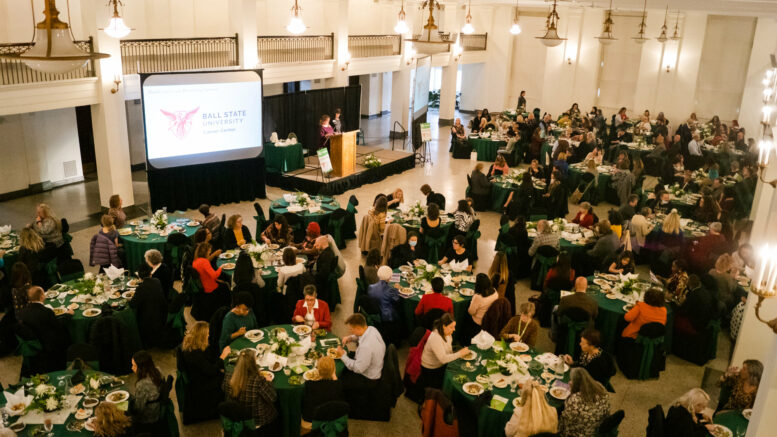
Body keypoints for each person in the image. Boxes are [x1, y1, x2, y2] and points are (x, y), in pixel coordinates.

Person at [180, 321, 230, 424]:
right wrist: (222, 357)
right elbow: (210, 371)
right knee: (228, 378)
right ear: (201, 337)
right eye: (207, 334)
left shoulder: (190, 345)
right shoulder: (195, 355)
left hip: (197, 377)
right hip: (202, 383)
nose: (208, 336)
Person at [223, 349, 278, 434]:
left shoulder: (228, 376)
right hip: (257, 420)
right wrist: (268, 382)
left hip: (236, 416)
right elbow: (272, 398)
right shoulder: (258, 381)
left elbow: (224, 389)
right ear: (253, 365)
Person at [16, 286, 70, 371]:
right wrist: (68, 315)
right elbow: (58, 328)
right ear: (42, 296)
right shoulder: (47, 312)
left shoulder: (21, 313)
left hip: (33, 345)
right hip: (49, 346)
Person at [334, 314, 386, 393]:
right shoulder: (371, 329)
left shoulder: (366, 347)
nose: (349, 331)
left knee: (340, 381)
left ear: (358, 328)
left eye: (351, 330)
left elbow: (358, 369)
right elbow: (360, 335)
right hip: (371, 365)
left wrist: (342, 355)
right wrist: (350, 338)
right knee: (346, 359)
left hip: (368, 379)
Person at [419, 313, 470, 391]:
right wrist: (460, 353)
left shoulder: (448, 334)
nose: (454, 329)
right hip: (431, 370)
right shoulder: (436, 338)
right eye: (451, 327)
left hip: (441, 365)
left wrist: (459, 353)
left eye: (454, 327)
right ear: (443, 326)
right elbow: (443, 359)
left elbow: (449, 352)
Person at [558, 368, 610, 437]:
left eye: (571, 380)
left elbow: (565, 421)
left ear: (576, 383)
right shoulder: (600, 388)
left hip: (578, 434)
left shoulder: (575, 400)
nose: (569, 382)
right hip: (595, 428)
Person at [301, 356, 344, 432]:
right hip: (328, 419)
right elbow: (336, 382)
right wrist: (333, 373)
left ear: (318, 369)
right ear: (334, 370)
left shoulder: (309, 384)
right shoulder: (337, 385)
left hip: (310, 420)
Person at [130, 264, 168, 349]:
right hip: (161, 314)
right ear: (150, 274)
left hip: (149, 320)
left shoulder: (141, 288)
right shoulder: (157, 281)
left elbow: (132, 304)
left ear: (139, 277)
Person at [130, 351, 163, 429]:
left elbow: (138, 408)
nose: (132, 368)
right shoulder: (158, 371)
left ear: (142, 368)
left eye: (134, 366)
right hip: (158, 408)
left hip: (149, 417)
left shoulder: (142, 385)